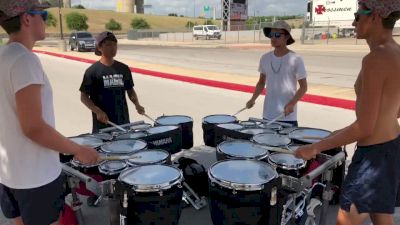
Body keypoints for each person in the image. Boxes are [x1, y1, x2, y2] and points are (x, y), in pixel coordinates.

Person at [295, 1, 400, 224]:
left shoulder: (376, 59)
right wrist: (333, 136)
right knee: (381, 217)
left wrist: (314, 148)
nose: (353, 22)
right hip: (390, 148)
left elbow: (364, 127)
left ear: (375, 17)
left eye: (357, 15)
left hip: (374, 157)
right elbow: (394, 111)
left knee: (345, 220)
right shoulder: (395, 52)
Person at [0, 1, 99, 225]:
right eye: (43, 14)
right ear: (27, 19)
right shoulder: (24, 60)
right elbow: (33, 127)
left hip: (9, 176)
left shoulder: (3, 56)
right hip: (36, 178)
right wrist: (78, 150)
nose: (46, 20)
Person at [80, 31, 145, 133]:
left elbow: (130, 90)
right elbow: (83, 97)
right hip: (103, 127)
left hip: (124, 124)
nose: (113, 48)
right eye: (108, 45)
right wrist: (98, 111)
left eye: (115, 44)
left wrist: (137, 104)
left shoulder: (123, 68)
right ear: (99, 47)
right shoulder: (92, 71)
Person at [246, 20, 308, 126]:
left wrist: (292, 103)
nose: (273, 38)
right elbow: (261, 82)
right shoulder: (264, 58)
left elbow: (303, 87)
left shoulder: (296, 59)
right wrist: (253, 99)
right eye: (271, 35)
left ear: (287, 37)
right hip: (268, 115)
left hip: (287, 117)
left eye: (277, 35)